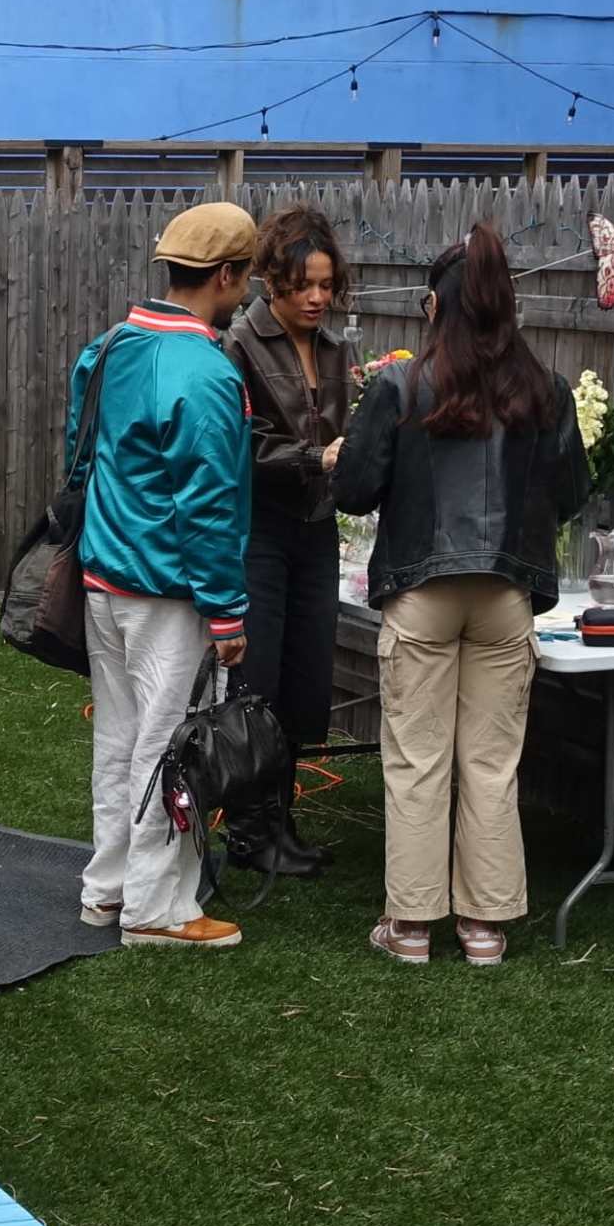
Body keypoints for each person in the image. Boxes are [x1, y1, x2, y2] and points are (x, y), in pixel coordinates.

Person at [331, 220, 585, 968]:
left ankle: (410, 929)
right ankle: (485, 928)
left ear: (432, 306)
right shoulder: (546, 389)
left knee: (416, 759)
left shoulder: (401, 383)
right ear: (508, 307)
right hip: (506, 593)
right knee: (491, 761)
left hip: (421, 587)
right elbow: (568, 492)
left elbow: (354, 488)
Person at [70, 202, 257, 951]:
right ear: (224, 275)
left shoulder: (109, 346)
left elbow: (77, 453)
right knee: (168, 744)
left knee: (119, 739)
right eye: (246, 276)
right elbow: (208, 503)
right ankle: (155, 908)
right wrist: (228, 611)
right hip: (168, 590)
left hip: (103, 578)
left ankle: (107, 890)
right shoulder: (207, 370)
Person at [220, 206, 349, 877]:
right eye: (304, 284)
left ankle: (281, 821)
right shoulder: (240, 343)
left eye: (326, 284)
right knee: (255, 683)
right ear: (272, 280)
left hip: (316, 530)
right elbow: (241, 444)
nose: (318, 297)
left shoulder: (334, 349)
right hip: (262, 531)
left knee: (304, 684)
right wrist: (316, 457)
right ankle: (247, 831)